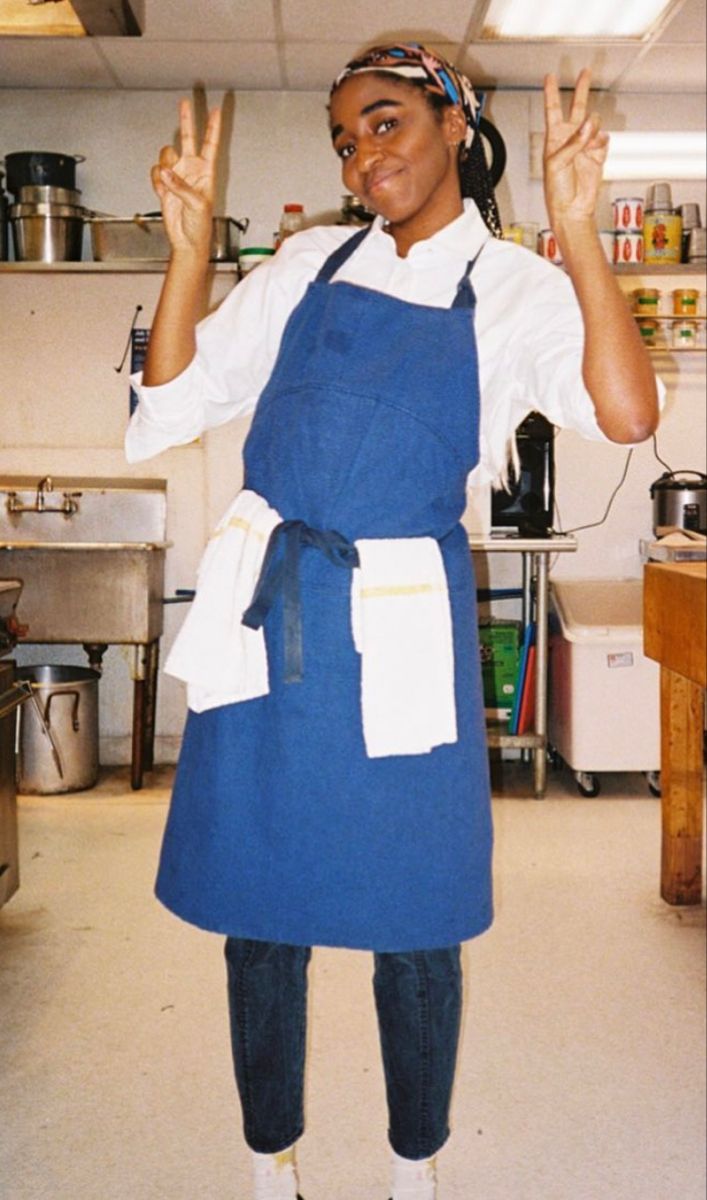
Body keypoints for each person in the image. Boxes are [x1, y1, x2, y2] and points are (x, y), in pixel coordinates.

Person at [125, 42, 660, 1200]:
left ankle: (412, 1164)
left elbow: (622, 414)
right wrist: (183, 256)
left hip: (397, 631)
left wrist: (576, 230)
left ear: (453, 121)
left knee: (413, 916)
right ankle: (270, 1158)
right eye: (344, 139)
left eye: (384, 124)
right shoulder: (309, 264)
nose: (363, 157)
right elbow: (171, 402)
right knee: (258, 913)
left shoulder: (514, 285)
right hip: (270, 620)